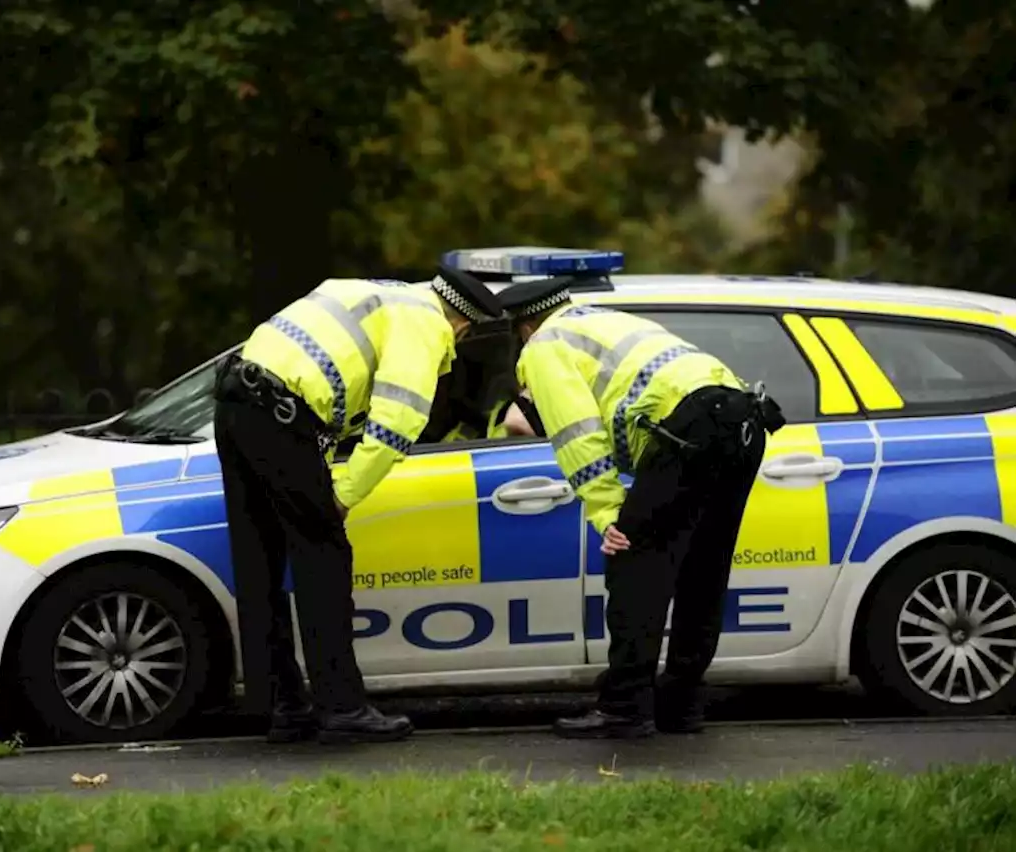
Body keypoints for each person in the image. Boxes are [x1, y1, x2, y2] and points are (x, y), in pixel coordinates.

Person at [213, 268, 505, 744]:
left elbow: (328, 393)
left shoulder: (376, 293)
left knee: (258, 561)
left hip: (236, 404)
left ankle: (282, 705)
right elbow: (395, 424)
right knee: (324, 556)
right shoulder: (425, 325)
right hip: (281, 416)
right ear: (462, 326)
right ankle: (342, 706)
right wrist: (345, 494)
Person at [497, 277, 785, 739]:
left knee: (635, 565)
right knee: (703, 572)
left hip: (690, 429)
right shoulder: (606, 321)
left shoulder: (545, 345)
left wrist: (608, 512)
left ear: (524, 328)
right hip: (744, 420)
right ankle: (683, 704)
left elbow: (577, 433)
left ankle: (624, 708)